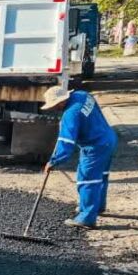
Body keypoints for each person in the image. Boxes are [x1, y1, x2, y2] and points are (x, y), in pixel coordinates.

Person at [42, 87, 118, 229]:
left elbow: (66, 143)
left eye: (54, 105)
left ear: (61, 101)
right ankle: (98, 206)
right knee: (101, 176)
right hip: (108, 137)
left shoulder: (70, 114)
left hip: (95, 146)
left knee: (87, 180)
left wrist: (53, 161)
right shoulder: (83, 95)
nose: (54, 108)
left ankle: (87, 217)